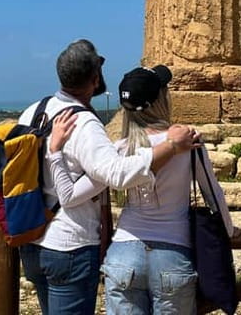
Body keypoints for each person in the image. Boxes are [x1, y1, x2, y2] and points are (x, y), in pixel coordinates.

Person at [18, 40, 200, 315]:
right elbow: (116, 174)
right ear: (95, 79)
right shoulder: (86, 124)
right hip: (70, 245)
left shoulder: (34, 111)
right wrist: (172, 146)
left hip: (33, 240)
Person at [98, 64, 233, 314]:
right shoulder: (189, 143)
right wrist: (229, 232)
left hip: (123, 254)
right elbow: (213, 195)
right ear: (161, 99)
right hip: (172, 253)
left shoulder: (119, 149)